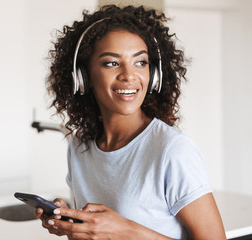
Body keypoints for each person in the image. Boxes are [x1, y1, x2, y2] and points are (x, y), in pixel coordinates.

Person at [35, 4, 226, 240]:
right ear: (83, 77)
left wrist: (126, 231)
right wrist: (73, 226)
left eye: (140, 62)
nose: (129, 75)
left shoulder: (172, 150)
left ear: (153, 75)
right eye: (111, 63)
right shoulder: (79, 146)